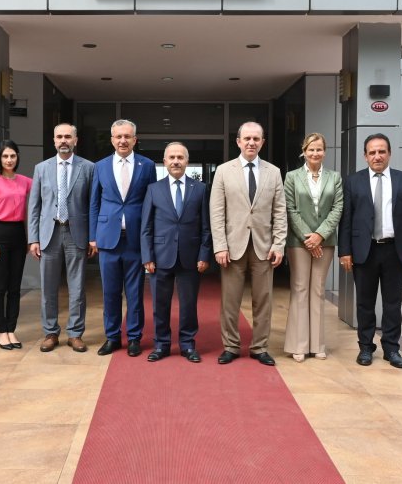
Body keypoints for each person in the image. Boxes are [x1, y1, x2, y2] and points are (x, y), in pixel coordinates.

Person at [338, 133, 402, 369]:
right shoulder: (353, 181)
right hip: (364, 251)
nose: (377, 156)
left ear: (389, 154)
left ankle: (391, 348)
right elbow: (346, 220)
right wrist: (344, 251)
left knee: (393, 303)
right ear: (365, 156)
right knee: (364, 303)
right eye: (372, 152)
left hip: (395, 251)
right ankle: (366, 347)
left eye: (381, 151)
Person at [210, 121, 287, 366]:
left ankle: (260, 347)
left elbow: (280, 211)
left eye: (256, 139)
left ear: (262, 142)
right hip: (232, 247)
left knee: (263, 301)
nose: (251, 143)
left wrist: (279, 244)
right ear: (238, 142)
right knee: (230, 301)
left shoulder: (274, 172)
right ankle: (231, 346)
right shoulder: (224, 171)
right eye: (247, 138)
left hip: (264, 247)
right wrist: (220, 245)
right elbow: (216, 211)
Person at [90, 119, 156, 357]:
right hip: (107, 238)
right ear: (112, 140)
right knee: (110, 292)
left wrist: (150, 237)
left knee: (135, 292)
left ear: (135, 140)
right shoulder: (100, 166)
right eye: (118, 136)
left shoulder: (147, 165)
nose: (123, 141)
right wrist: (92, 236)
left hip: (136, 238)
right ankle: (112, 337)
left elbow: (152, 202)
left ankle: (135, 337)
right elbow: (94, 203)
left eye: (127, 136)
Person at [141, 142, 211, 363]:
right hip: (160, 257)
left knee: (188, 304)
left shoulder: (200, 189)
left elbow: (206, 226)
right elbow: (146, 227)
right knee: (160, 304)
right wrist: (147, 256)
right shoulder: (154, 189)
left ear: (187, 161)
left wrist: (204, 254)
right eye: (171, 158)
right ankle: (161, 344)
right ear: (165, 162)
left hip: (190, 257)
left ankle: (187, 344)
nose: (176, 161)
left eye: (180, 157)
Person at [28, 124, 95, 353]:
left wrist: (93, 237)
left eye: (68, 136)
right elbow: (34, 206)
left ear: (76, 140)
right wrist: (33, 238)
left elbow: (93, 205)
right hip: (49, 234)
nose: (63, 140)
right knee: (48, 288)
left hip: (77, 234)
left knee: (77, 288)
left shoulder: (88, 168)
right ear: (54, 140)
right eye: (59, 136)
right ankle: (50, 332)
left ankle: (75, 334)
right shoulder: (41, 168)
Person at [283, 133, 343, 362]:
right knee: (300, 289)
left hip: (325, 242)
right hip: (299, 242)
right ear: (304, 151)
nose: (315, 153)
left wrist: (320, 235)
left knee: (318, 290)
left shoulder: (334, 177)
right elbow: (290, 209)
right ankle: (298, 345)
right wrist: (308, 237)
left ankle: (317, 344)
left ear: (324, 152)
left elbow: (337, 208)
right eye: (311, 149)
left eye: (319, 149)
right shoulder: (292, 177)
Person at [0, 140, 32, 350]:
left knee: (15, 287)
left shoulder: (26, 182)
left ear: (17, 157)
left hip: (18, 234)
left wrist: (29, 238)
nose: (9, 160)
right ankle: (1, 330)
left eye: (12, 156)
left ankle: (11, 329)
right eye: (5, 156)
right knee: (0, 286)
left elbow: (29, 212)